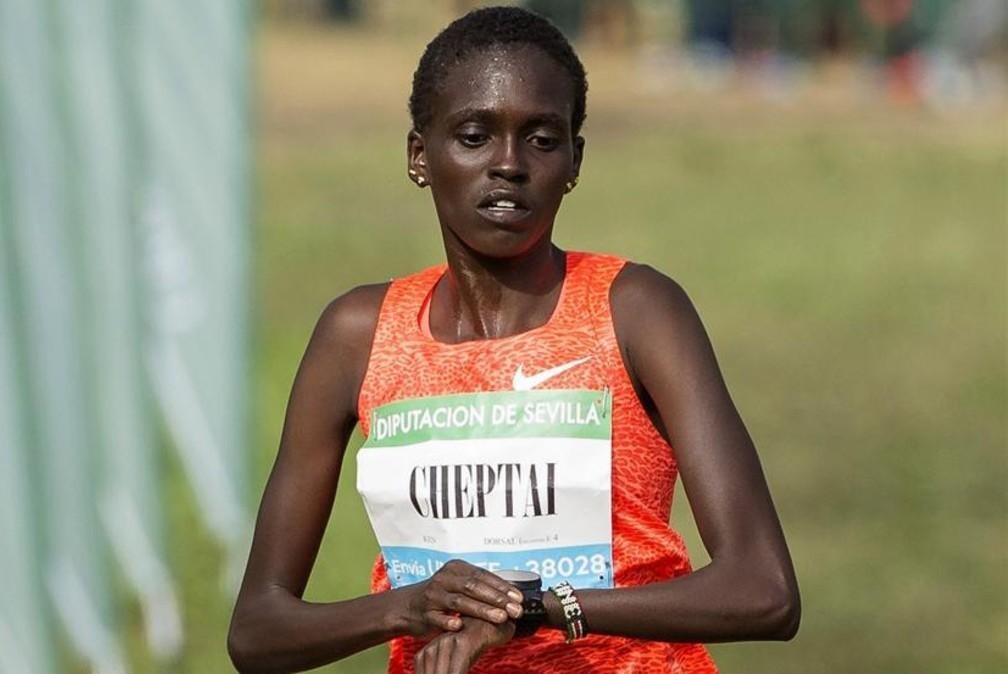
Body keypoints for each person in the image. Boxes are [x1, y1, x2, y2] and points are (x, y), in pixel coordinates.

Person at [228, 7, 799, 673]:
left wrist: (536, 608)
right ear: (419, 156)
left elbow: (763, 590)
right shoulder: (358, 336)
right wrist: (406, 607)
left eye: (542, 140)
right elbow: (257, 631)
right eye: (474, 137)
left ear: (574, 161)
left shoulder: (637, 312)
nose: (508, 164)